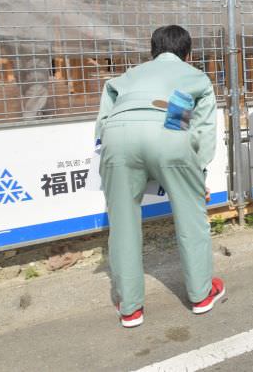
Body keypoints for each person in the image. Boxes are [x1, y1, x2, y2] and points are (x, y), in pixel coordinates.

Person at [95, 25, 223, 328]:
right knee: (190, 216)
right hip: (169, 125)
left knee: (123, 223)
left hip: (118, 134)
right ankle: (201, 294)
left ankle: (130, 309)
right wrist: (198, 173)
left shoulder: (127, 75)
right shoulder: (194, 76)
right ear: (187, 54)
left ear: (152, 52)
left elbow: (103, 122)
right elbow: (202, 129)